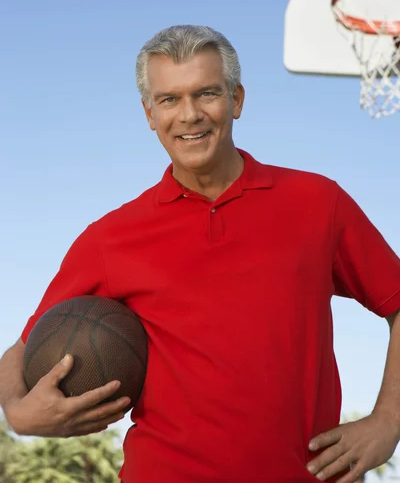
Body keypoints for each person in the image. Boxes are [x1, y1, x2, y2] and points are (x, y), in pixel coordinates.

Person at [1, 25, 400, 483]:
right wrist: (17, 411)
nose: (189, 115)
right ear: (149, 113)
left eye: (206, 94)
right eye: (169, 100)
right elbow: (22, 347)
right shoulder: (109, 239)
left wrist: (388, 420)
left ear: (237, 100)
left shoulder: (318, 202)